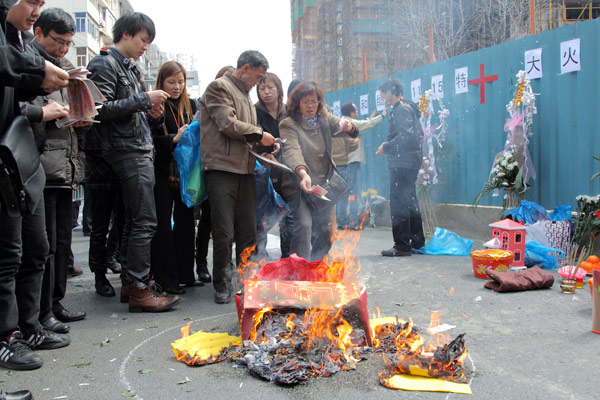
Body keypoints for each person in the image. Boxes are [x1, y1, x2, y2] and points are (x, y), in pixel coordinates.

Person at [86, 12, 179, 311]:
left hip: (137, 147)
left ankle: (131, 282)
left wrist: (151, 112)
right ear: (126, 34)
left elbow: (133, 113)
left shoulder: (130, 68)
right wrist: (143, 100)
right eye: (143, 40)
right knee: (144, 220)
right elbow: (99, 109)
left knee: (131, 222)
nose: (144, 47)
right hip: (125, 150)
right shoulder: (104, 63)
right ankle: (140, 289)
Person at [0, 0, 70, 371]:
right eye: (31, 2)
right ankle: (7, 336)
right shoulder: (17, 46)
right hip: (10, 159)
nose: (35, 11)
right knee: (8, 256)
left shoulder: (19, 39)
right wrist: (39, 79)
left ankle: (30, 326)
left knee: (35, 248)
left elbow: (17, 94)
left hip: (25, 162)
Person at [23, 7, 88, 333]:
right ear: (39, 33)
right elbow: (20, 111)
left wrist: (82, 117)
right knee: (41, 247)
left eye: (67, 42)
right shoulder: (26, 62)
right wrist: (44, 112)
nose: (63, 48)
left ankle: (55, 303)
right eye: (58, 41)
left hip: (65, 163)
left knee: (62, 242)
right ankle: (39, 313)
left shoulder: (64, 69)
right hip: (40, 165)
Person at [200, 51, 275, 304]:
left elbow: (248, 138)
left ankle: (246, 280)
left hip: (246, 170)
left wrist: (266, 146)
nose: (259, 83)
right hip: (222, 169)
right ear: (244, 68)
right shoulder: (218, 88)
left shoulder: (245, 94)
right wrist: (259, 133)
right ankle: (221, 283)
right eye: (258, 77)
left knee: (247, 231)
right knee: (224, 231)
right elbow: (227, 124)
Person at [279, 81, 359, 261]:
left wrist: (350, 127)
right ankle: (300, 271)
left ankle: (317, 264)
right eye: (305, 101)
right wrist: (303, 173)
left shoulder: (324, 118)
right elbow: (292, 150)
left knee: (326, 229)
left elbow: (345, 127)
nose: (310, 106)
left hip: (322, 183)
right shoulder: (288, 124)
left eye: (314, 101)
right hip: (298, 184)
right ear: (297, 103)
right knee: (305, 226)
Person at [147, 61, 198, 294]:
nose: (177, 87)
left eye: (181, 81)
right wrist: (173, 139)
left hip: (186, 174)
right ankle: (166, 280)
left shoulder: (192, 106)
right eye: (171, 82)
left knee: (187, 224)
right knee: (163, 227)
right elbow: (148, 143)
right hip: (161, 171)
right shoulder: (155, 106)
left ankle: (187, 274)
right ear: (161, 82)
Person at [376, 78, 425, 256]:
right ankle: (416, 240)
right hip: (409, 162)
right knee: (409, 199)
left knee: (399, 203)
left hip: (403, 163)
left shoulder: (401, 110)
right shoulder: (406, 107)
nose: (382, 97)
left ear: (389, 92)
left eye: (383, 93)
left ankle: (402, 245)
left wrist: (386, 147)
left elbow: (406, 137)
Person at [194, 66, 234, 285]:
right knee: (208, 220)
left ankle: (227, 264)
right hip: (209, 167)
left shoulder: (240, 101)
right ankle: (201, 263)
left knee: (228, 224)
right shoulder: (209, 97)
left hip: (232, 170)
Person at [254, 72, 290, 259]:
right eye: (262, 88)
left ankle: (287, 259)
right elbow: (253, 140)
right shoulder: (254, 111)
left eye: (270, 87)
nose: (266, 92)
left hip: (286, 169)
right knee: (262, 218)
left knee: (288, 216)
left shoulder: (288, 111)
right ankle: (259, 259)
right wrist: (264, 153)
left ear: (278, 89)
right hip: (263, 172)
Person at [335, 101, 385, 230]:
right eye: (356, 110)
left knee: (343, 194)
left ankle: (341, 222)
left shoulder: (342, 122)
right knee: (353, 193)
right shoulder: (349, 123)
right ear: (351, 112)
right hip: (351, 163)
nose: (357, 112)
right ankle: (353, 223)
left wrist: (371, 117)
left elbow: (362, 124)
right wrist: (381, 117)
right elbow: (364, 125)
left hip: (342, 163)